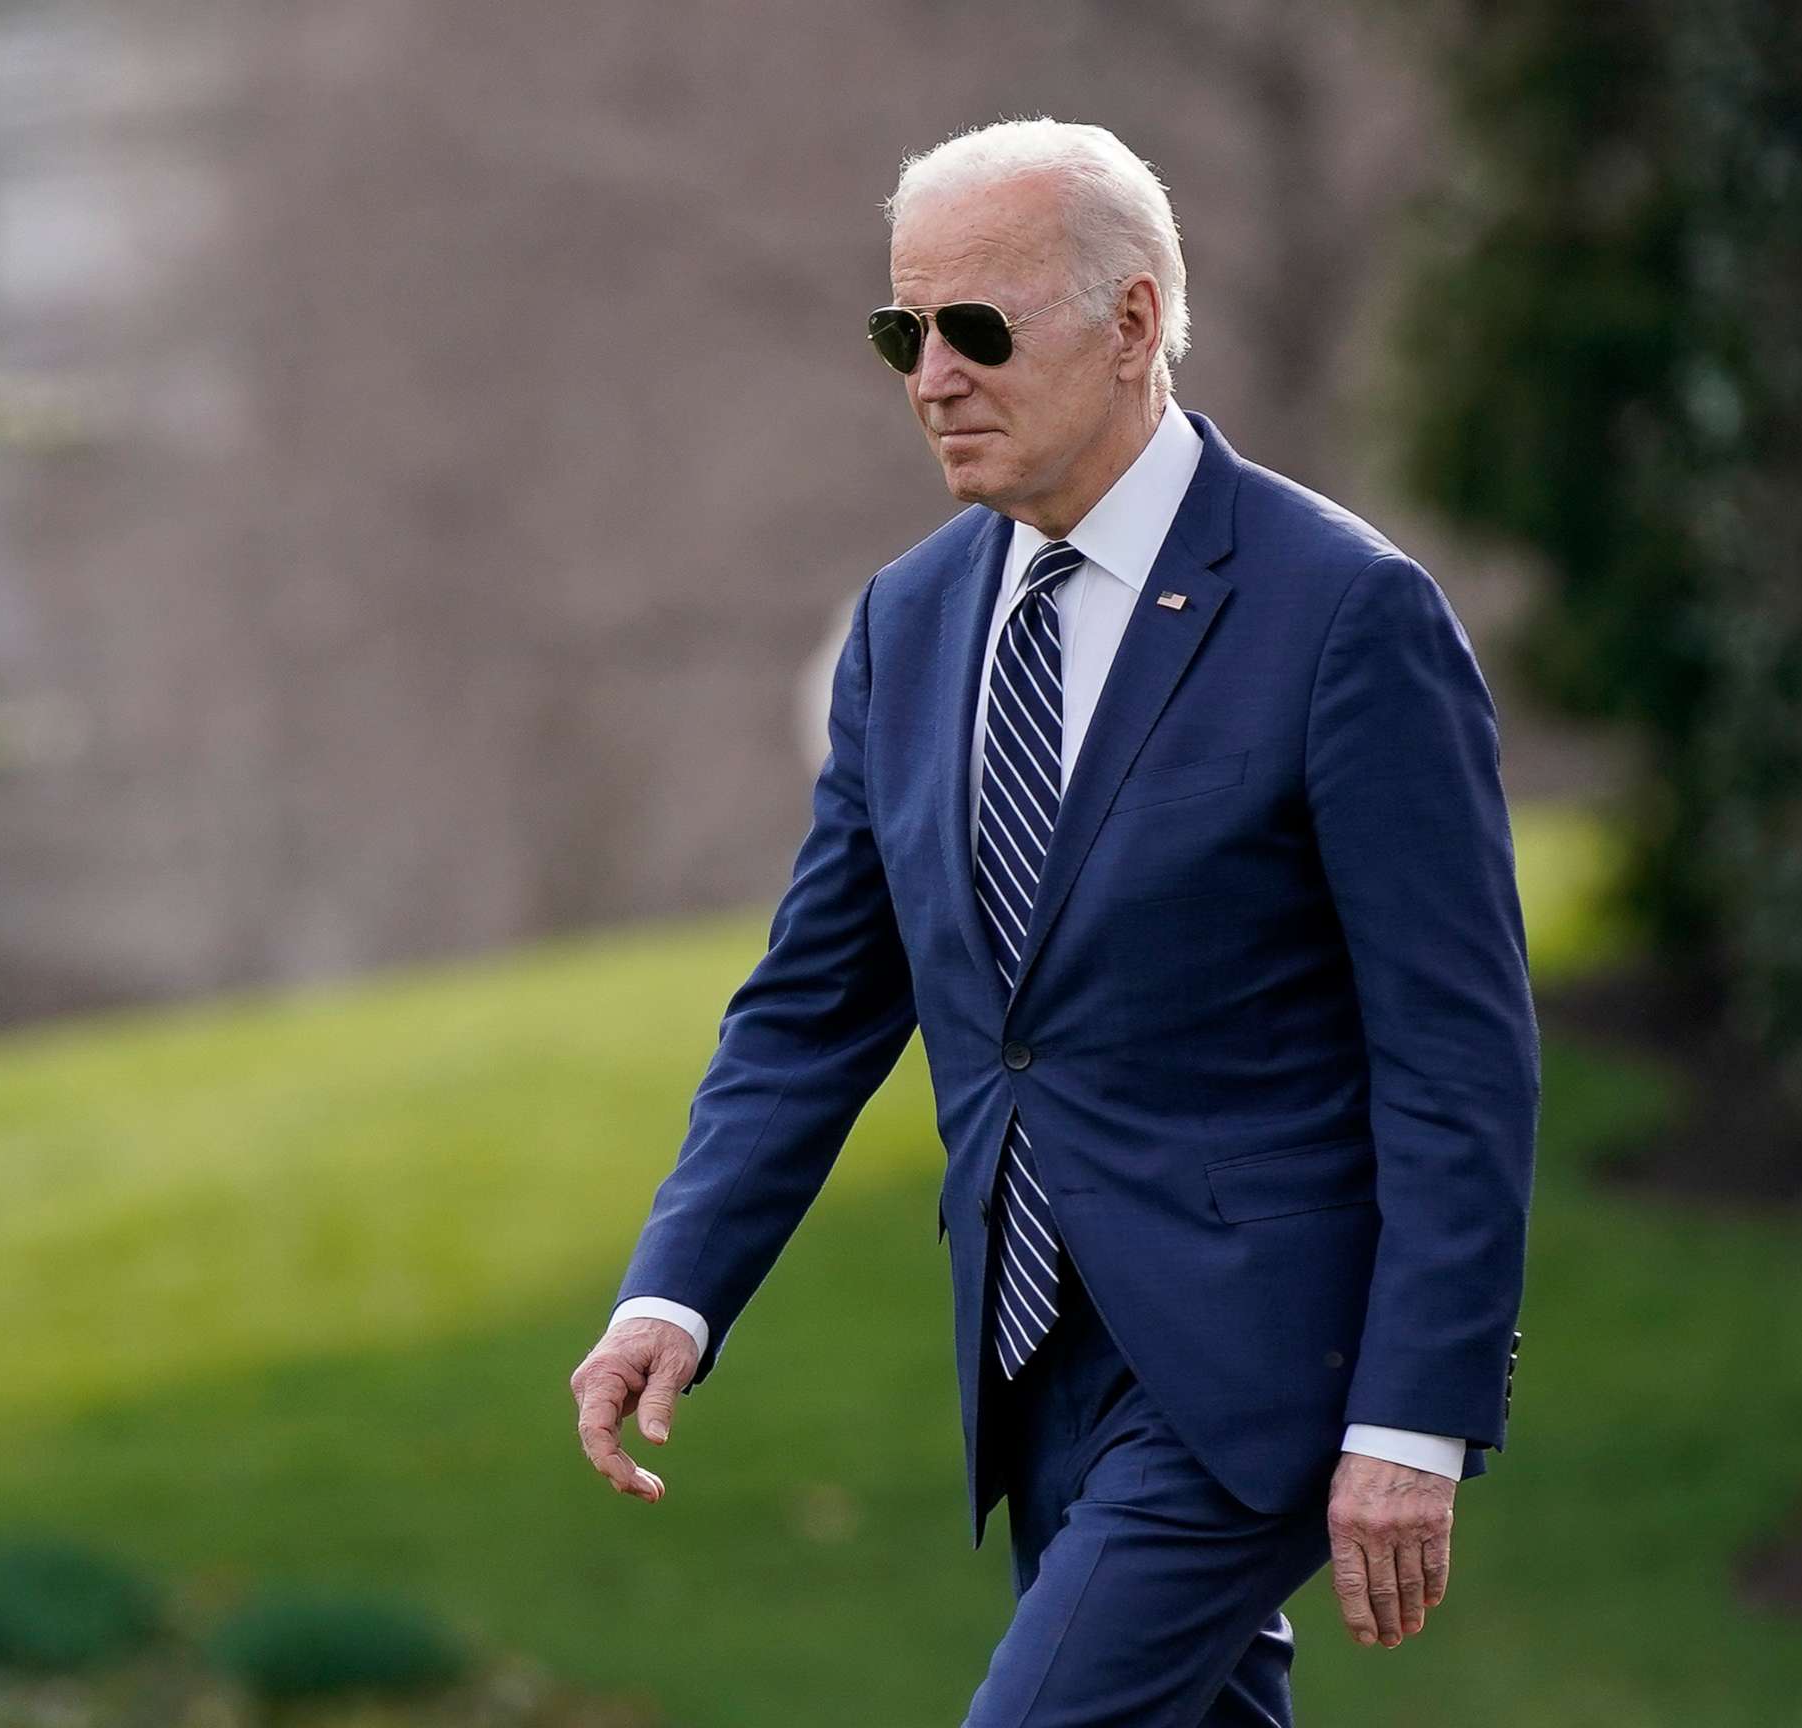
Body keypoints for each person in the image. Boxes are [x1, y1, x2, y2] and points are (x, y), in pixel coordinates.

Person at [569, 115, 1537, 1726]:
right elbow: (812, 1009)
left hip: (1257, 1366)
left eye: (978, 329)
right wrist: (673, 1291)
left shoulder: (1345, 616)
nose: (930, 375)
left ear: (1136, 320)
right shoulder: (910, 622)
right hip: (1034, 1372)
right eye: (904, 330)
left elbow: (1457, 1059)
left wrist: (1412, 1418)